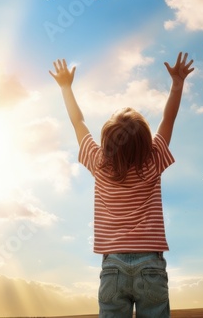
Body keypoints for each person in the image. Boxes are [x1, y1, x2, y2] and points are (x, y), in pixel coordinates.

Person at [49, 52, 194, 317]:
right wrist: (177, 83)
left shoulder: (98, 163)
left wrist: (66, 87)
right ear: (146, 142)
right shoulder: (154, 159)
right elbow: (168, 120)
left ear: (106, 143)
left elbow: (78, 122)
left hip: (112, 266)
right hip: (151, 264)